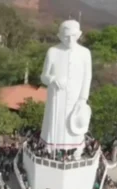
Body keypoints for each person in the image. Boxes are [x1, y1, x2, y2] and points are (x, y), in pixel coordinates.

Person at [40, 19, 92, 158]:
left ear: (79, 35)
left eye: (73, 36)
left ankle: (75, 152)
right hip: (57, 98)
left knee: (74, 128)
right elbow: (43, 77)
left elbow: (87, 77)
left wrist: (83, 99)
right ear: (59, 36)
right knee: (55, 126)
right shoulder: (53, 51)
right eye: (66, 36)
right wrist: (52, 79)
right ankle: (51, 152)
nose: (69, 40)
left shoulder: (85, 53)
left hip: (76, 100)